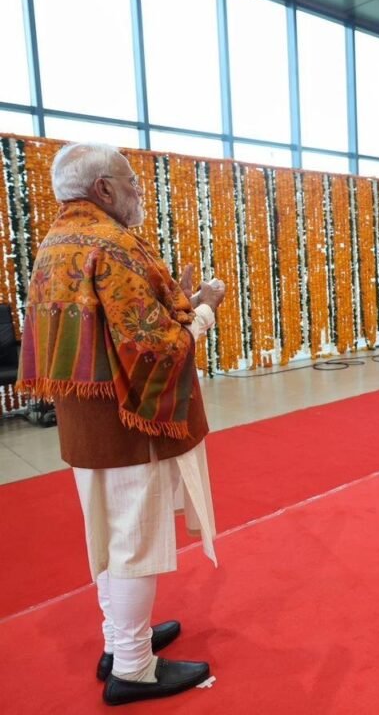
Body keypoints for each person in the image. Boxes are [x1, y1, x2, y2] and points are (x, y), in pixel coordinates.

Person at [16, 143, 226, 706]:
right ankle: (133, 668)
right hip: (130, 421)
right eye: (132, 180)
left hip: (83, 419)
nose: (139, 190)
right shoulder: (114, 244)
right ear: (104, 188)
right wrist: (205, 306)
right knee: (134, 541)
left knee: (108, 536)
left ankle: (120, 641)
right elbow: (154, 349)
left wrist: (177, 302)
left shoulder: (56, 240)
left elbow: (113, 330)